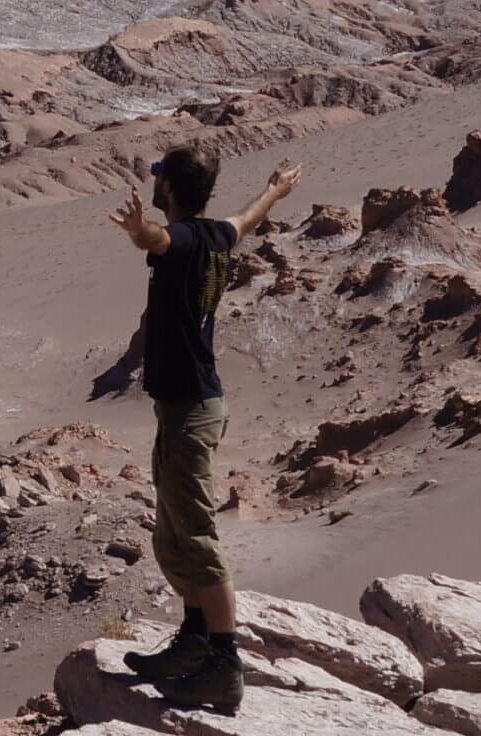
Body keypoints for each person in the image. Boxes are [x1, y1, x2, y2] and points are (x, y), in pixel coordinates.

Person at [105, 144, 301, 714]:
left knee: (195, 536)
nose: (154, 180)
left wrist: (140, 231)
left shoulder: (185, 240)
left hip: (191, 411)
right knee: (172, 533)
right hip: (185, 408)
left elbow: (158, 242)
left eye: (158, 175)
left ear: (169, 189)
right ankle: (194, 639)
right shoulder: (217, 233)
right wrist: (275, 189)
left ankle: (223, 662)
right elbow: (247, 217)